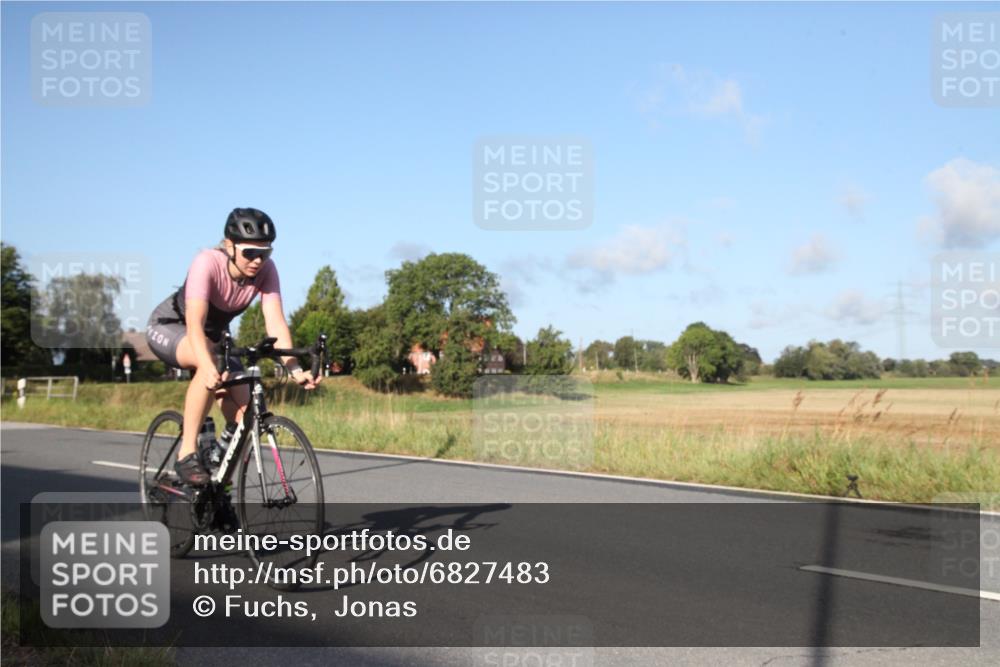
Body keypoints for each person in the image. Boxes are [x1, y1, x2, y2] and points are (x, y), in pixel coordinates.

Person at [145, 207, 320, 485]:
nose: (258, 260)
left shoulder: (266, 271)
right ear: (229, 245)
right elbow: (195, 322)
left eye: (265, 253)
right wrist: (204, 363)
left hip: (215, 340)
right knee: (210, 364)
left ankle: (218, 482)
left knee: (244, 415)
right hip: (172, 326)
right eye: (250, 252)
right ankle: (186, 453)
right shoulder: (207, 262)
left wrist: (295, 368)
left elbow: (275, 321)